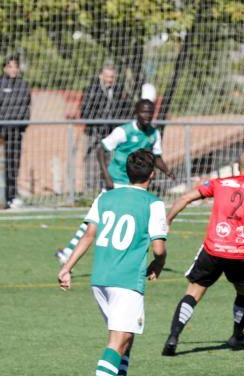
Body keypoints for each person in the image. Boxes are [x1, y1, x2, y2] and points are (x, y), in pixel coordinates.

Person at [57, 149, 168, 376]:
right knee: (118, 341)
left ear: (127, 172)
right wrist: (159, 263)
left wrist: (67, 267)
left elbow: (88, 235)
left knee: (125, 339)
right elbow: (158, 247)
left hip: (101, 279)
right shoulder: (153, 204)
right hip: (126, 280)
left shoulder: (104, 197)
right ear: (152, 175)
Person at [161, 151, 244, 355]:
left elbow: (186, 197)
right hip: (241, 254)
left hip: (213, 250)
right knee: (243, 293)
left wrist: (168, 220)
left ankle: (173, 337)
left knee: (193, 292)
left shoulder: (219, 183)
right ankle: (237, 335)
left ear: (239, 166)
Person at [56, 99, 173, 265]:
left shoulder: (154, 134)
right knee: (95, 220)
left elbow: (156, 156)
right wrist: (107, 177)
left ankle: (126, 256)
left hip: (136, 185)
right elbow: (101, 150)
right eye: (143, 112)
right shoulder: (123, 131)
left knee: (133, 219)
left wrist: (167, 171)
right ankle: (68, 252)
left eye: (150, 112)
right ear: (136, 112)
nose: (147, 116)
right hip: (116, 181)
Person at [80, 63, 132, 192]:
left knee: (111, 161)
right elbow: (85, 111)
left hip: (112, 132)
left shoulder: (119, 90)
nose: (110, 80)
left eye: (112, 77)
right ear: (101, 76)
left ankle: (109, 188)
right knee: (92, 160)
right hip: (95, 131)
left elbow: (125, 109)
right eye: (107, 77)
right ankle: (91, 190)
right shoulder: (91, 89)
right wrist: (97, 123)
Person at [0, 55, 31, 208]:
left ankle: (11, 197)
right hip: (1, 130)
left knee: (13, 164)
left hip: (15, 132)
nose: (13, 70)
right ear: (5, 68)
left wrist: (22, 125)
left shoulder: (23, 85)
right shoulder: (1, 83)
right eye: (10, 66)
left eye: (15, 67)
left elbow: (27, 107)